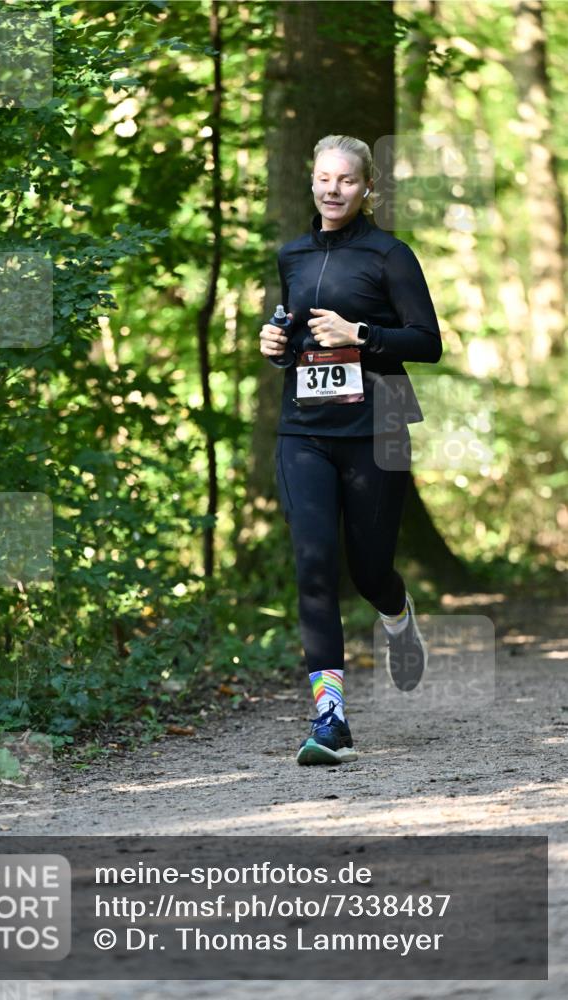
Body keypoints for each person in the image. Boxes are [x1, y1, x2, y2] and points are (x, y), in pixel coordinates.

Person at [259, 135, 442, 766]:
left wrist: (359, 334)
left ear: (368, 189)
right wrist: (277, 341)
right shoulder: (292, 255)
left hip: (380, 424)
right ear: (310, 182)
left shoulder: (390, 255)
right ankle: (330, 718)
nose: (331, 190)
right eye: (322, 179)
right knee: (314, 563)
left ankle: (396, 613)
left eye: (345, 181)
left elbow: (427, 341)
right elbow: (292, 325)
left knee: (367, 571)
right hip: (305, 427)